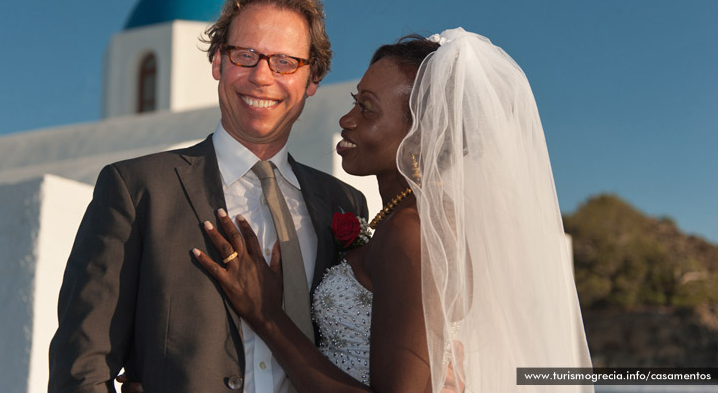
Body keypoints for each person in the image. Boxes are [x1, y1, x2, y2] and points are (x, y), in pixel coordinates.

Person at [194, 28, 593, 392]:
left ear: (421, 132)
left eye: (366, 109)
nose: (346, 120)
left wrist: (266, 315)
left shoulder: (412, 231)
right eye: (354, 102)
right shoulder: (407, 218)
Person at [48, 0, 368, 393]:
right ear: (217, 61)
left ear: (312, 81)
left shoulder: (344, 205)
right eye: (245, 55)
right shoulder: (136, 189)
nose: (262, 76)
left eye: (286, 62)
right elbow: (82, 368)